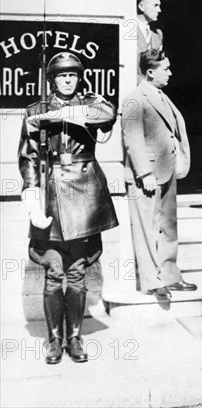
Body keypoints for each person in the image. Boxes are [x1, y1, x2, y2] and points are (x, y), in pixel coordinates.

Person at [18, 52, 119, 364]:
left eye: (73, 75)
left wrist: (71, 115)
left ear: (79, 77)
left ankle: (74, 339)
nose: (67, 80)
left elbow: (109, 113)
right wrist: (32, 199)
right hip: (50, 193)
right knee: (53, 271)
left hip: (85, 197)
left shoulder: (91, 105)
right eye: (62, 76)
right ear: (52, 80)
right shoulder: (36, 110)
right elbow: (29, 158)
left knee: (77, 272)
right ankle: (54, 340)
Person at [122, 49, 196, 300]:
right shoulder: (135, 98)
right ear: (151, 72)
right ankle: (152, 281)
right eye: (166, 68)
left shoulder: (161, 96)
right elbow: (133, 139)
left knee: (168, 226)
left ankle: (170, 275)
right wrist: (144, 174)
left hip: (167, 171)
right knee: (147, 229)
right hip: (148, 176)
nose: (171, 72)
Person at [137, 0, 164, 83]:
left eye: (159, 6)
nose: (159, 10)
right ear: (141, 6)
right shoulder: (128, 31)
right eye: (155, 5)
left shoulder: (157, 35)